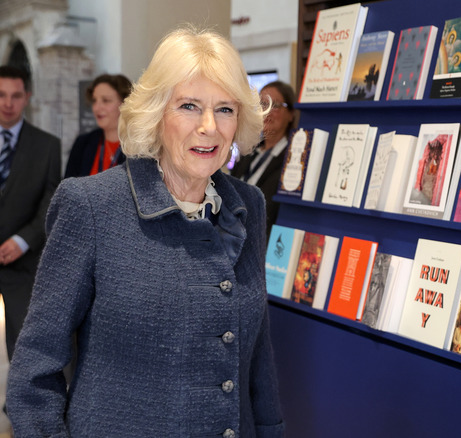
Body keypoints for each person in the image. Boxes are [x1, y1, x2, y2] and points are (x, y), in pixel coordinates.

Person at [7, 27, 284, 437]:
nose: (209, 126)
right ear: (156, 114)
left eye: (225, 109)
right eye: (189, 106)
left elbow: (256, 353)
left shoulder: (248, 205)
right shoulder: (92, 206)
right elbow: (34, 371)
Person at [0, 65, 61, 361]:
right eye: (1, 95)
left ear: (27, 97)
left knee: (24, 346)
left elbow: (49, 202)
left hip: (22, 261)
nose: (7, 103)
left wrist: (23, 240)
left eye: (15, 95)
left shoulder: (48, 146)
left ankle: (21, 406)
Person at [231, 80, 296, 237]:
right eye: (262, 104)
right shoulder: (247, 152)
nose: (267, 111)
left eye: (275, 105)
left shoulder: (293, 160)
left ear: (291, 114)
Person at [64, 73, 132, 178]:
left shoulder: (139, 148)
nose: (96, 108)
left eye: (106, 101)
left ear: (125, 104)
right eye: (94, 101)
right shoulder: (82, 143)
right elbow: (68, 189)